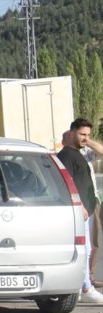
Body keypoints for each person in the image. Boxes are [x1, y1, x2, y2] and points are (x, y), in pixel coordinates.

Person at [58, 118, 103, 303]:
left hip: (88, 209)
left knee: (88, 247)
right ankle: (85, 286)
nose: (85, 139)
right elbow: (68, 184)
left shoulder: (79, 153)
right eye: (82, 134)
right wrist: (80, 206)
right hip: (80, 211)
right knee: (82, 250)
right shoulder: (67, 155)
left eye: (88, 135)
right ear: (71, 134)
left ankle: (81, 286)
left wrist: (86, 140)